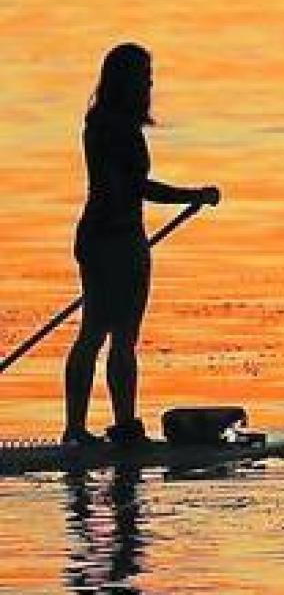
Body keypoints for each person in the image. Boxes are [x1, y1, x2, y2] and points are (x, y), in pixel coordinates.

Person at [63, 44, 220, 447]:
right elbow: (136, 187)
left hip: (101, 238)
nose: (149, 84)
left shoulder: (99, 124)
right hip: (116, 241)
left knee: (97, 335)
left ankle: (82, 430)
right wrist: (193, 195)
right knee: (114, 337)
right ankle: (117, 430)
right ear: (125, 81)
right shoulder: (116, 129)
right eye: (144, 77)